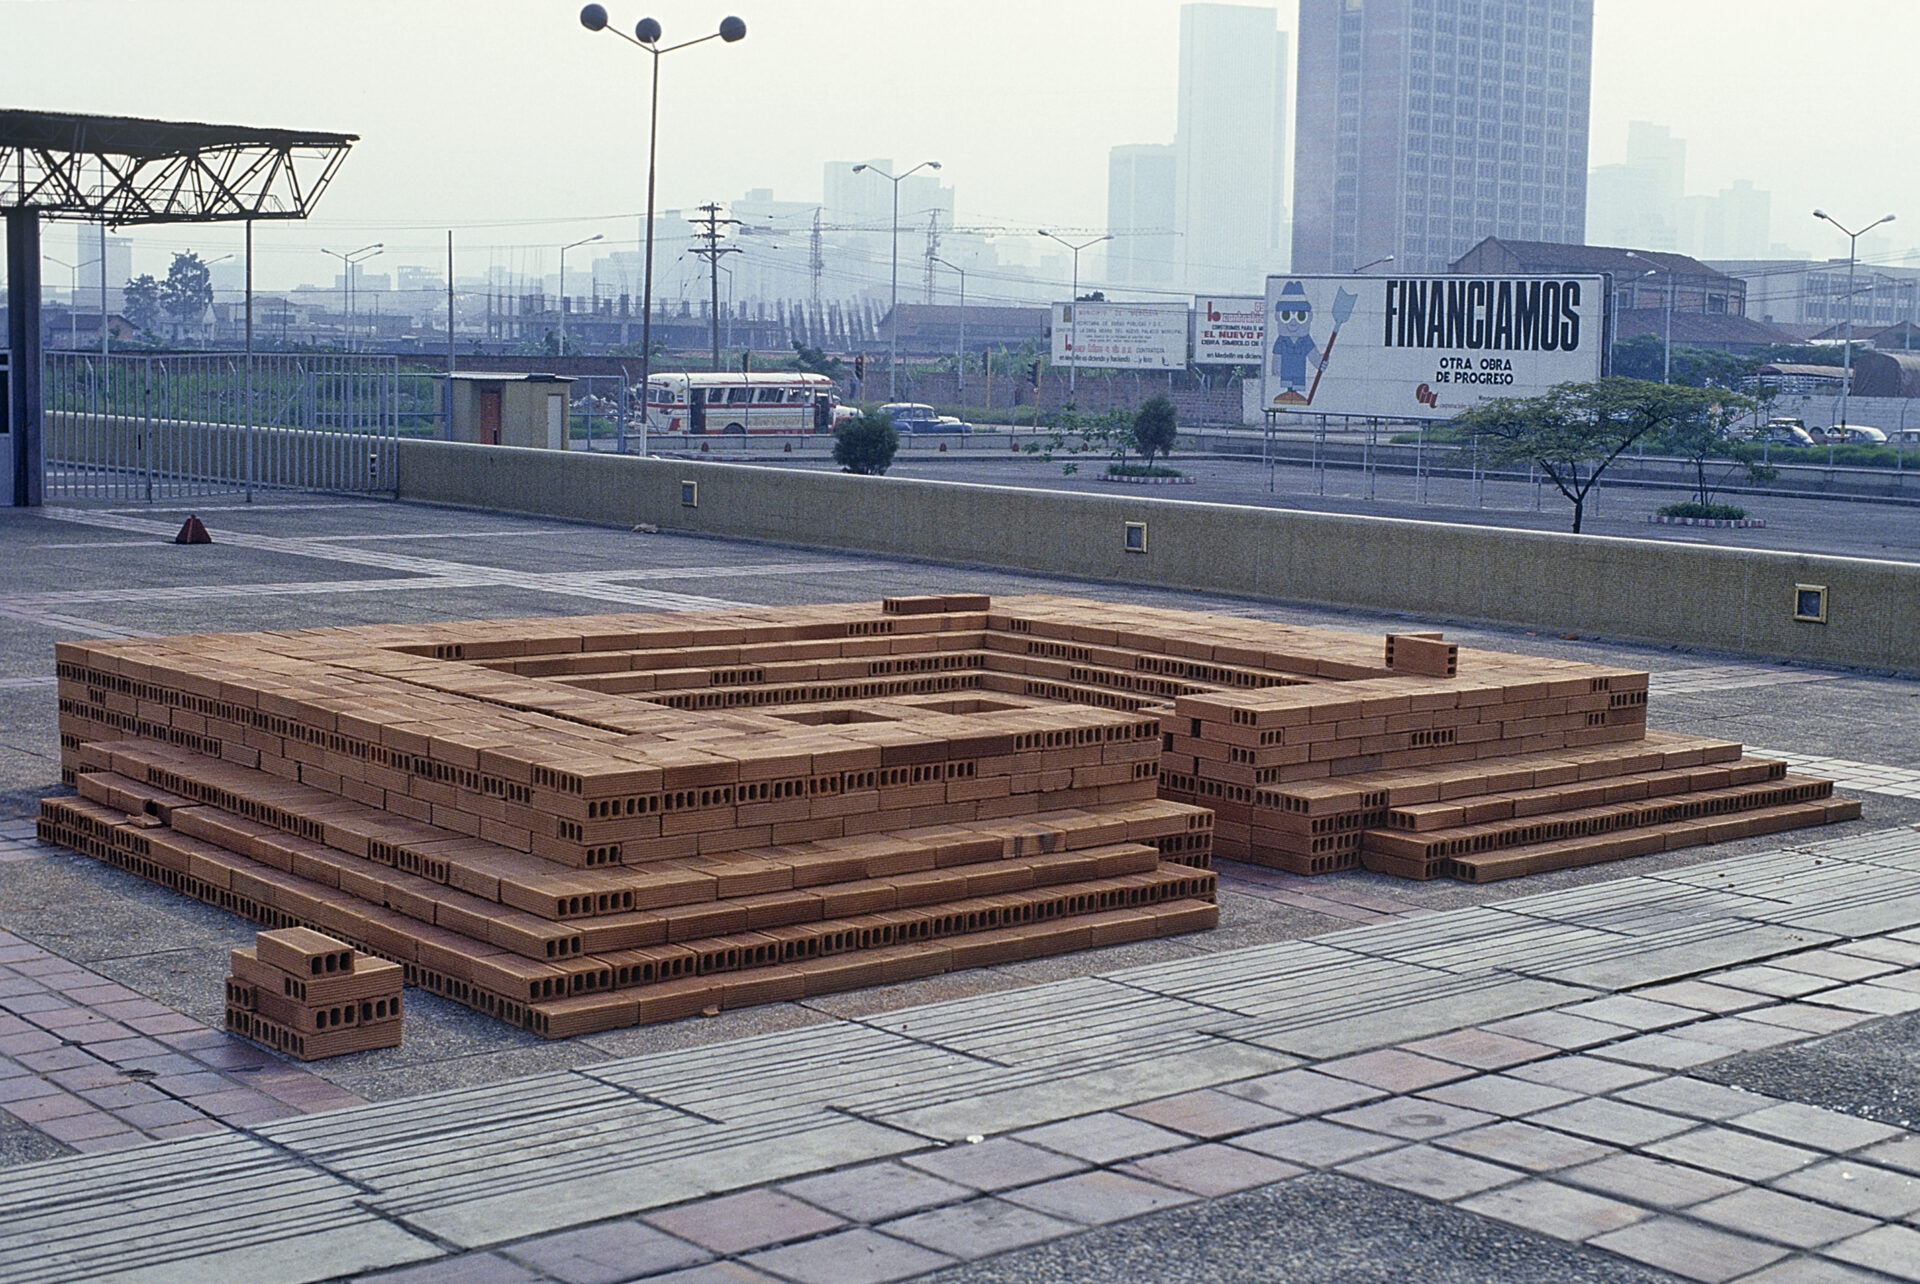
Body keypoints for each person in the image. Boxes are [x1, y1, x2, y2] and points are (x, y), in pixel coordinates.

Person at [1269, 281, 1322, 404]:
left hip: (1299, 367)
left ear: (1309, 317)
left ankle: (1296, 393)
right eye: (1286, 316)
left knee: (1298, 378)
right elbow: (1277, 356)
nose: (1293, 322)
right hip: (1286, 367)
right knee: (1287, 378)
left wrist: (1320, 362)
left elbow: (1313, 355)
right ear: (1278, 317)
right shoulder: (1281, 340)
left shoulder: (1305, 340)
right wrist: (1276, 367)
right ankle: (1288, 392)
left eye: (1300, 316)